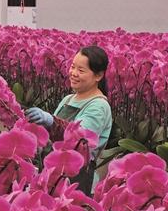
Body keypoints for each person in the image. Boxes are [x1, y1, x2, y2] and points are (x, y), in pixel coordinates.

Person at [25, 45, 113, 195]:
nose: (74, 73)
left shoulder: (99, 106)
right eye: (73, 67)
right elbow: (51, 136)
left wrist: (51, 121)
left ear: (98, 76)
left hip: (76, 176)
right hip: (53, 170)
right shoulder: (68, 99)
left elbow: (80, 139)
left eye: (81, 70)